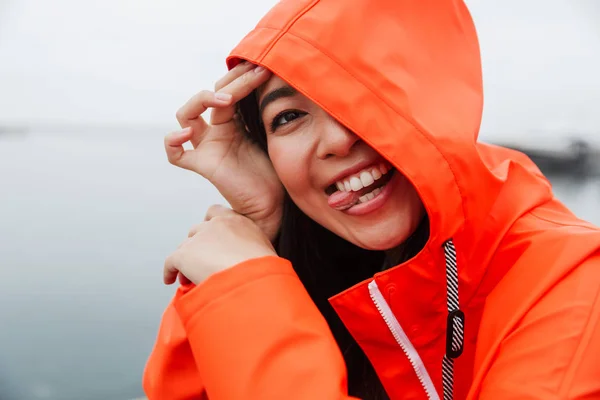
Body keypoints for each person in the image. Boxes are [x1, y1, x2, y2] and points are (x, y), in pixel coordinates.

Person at [143, 0, 600, 399]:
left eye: (361, 94)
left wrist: (248, 297)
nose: (338, 141)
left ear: (434, 97)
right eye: (289, 117)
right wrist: (261, 229)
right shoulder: (325, 262)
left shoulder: (575, 282)